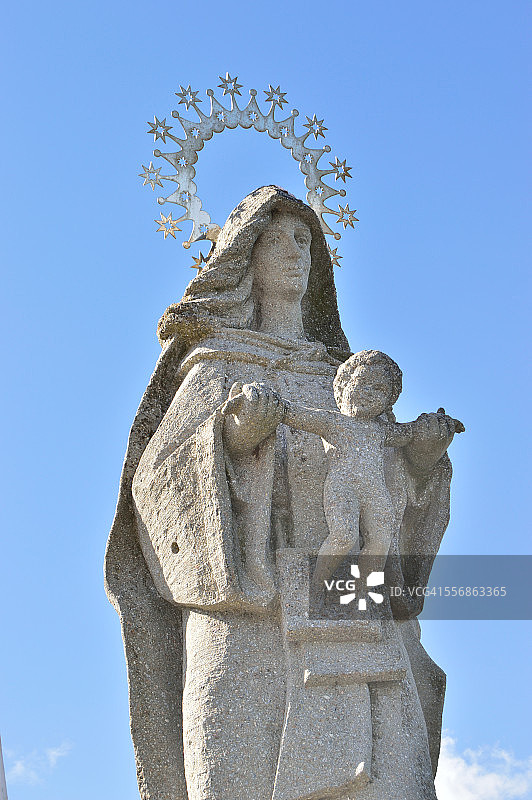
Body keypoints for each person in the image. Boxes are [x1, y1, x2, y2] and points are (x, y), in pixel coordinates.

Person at [105, 186, 455, 800]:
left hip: (341, 594)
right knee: (236, 775)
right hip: (244, 602)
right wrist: (234, 438)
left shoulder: (341, 377)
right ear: (244, 254)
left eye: (305, 239)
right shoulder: (214, 366)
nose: (297, 251)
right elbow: (155, 482)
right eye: (278, 239)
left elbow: (383, 477)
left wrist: (420, 461)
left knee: (379, 771)